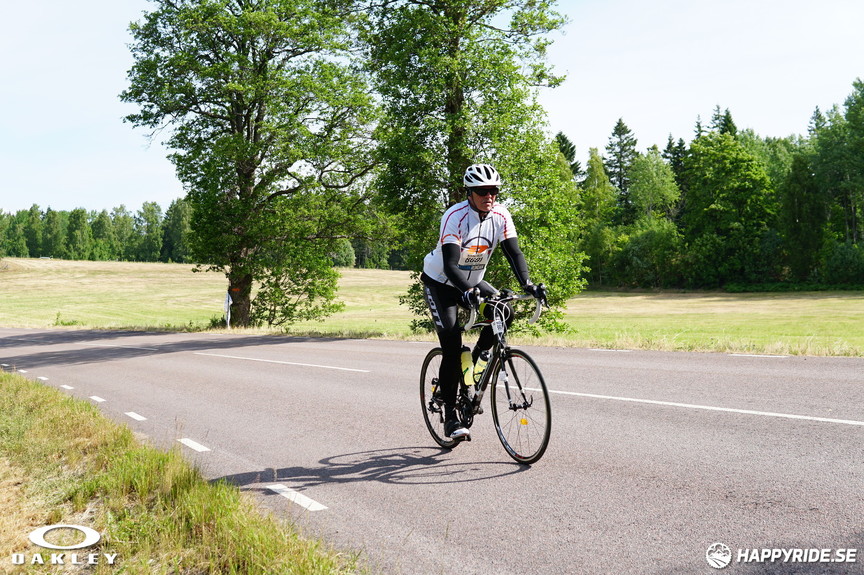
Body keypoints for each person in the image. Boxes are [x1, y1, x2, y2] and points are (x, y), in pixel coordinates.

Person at [421, 163, 546, 440]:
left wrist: (528, 284)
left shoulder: (501, 215)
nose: (489, 196)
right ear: (470, 193)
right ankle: (451, 417)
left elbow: (514, 253)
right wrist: (466, 292)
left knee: (505, 311)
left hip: (473, 280)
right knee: (452, 345)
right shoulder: (455, 216)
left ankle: (476, 362)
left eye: (493, 191)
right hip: (441, 282)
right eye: (482, 191)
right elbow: (452, 265)